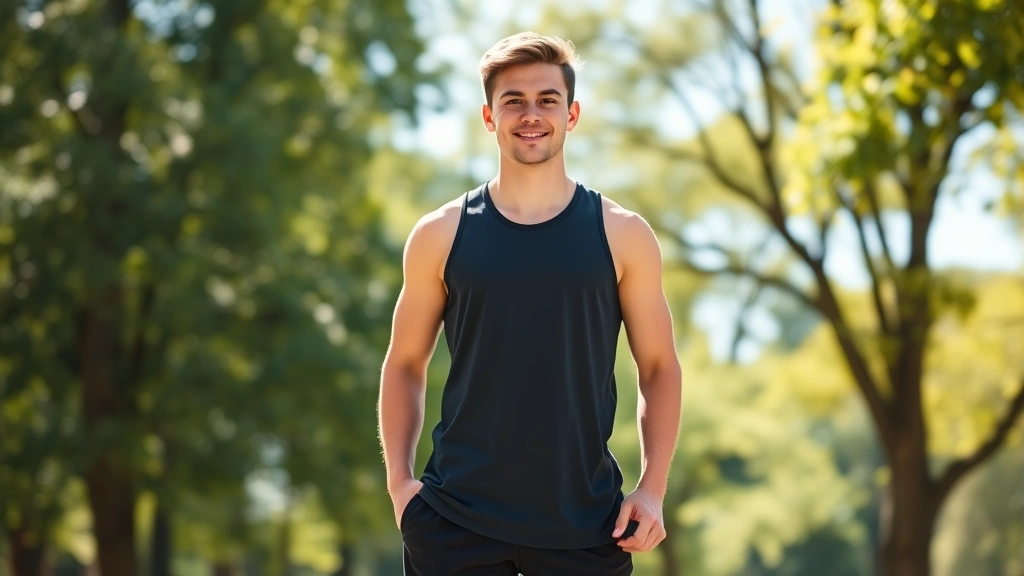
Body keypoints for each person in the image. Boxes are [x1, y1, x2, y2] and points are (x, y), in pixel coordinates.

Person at [377, 31, 682, 575]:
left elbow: (658, 367)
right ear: (489, 117)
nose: (531, 114)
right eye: (513, 101)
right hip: (452, 524)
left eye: (548, 99)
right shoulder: (440, 234)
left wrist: (652, 490)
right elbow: (404, 364)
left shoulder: (624, 235)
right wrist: (401, 487)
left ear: (573, 113)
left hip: (587, 528)